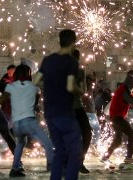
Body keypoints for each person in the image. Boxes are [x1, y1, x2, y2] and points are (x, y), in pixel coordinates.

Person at [0, 65, 54, 177]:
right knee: (47, 143)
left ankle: (15, 169)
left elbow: (2, 98)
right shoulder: (34, 87)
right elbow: (36, 101)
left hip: (16, 124)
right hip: (29, 122)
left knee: (20, 143)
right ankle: (53, 166)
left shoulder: (11, 87)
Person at [33, 29, 82, 180]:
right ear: (73, 42)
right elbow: (69, 87)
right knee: (75, 152)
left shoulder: (48, 60)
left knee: (59, 150)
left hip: (50, 112)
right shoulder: (71, 61)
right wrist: (79, 90)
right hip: (64, 112)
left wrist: (50, 83)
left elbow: (36, 81)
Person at [101, 70, 133, 164]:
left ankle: (105, 157)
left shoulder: (122, 89)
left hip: (115, 118)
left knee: (118, 140)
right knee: (132, 134)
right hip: (117, 118)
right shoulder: (124, 90)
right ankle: (129, 157)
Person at [71, 49, 92, 174]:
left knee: (87, 134)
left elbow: (82, 91)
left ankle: (79, 162)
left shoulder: (80, 72)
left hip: (77, 107)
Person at [82, 76, 101, 155]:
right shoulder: (88, 91)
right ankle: (93, 144)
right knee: (97, 129)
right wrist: (95, 82)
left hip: (87, 112)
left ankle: (90, 145)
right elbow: (96, 89)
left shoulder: (86, 91)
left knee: (85, 131)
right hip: (90, 113)